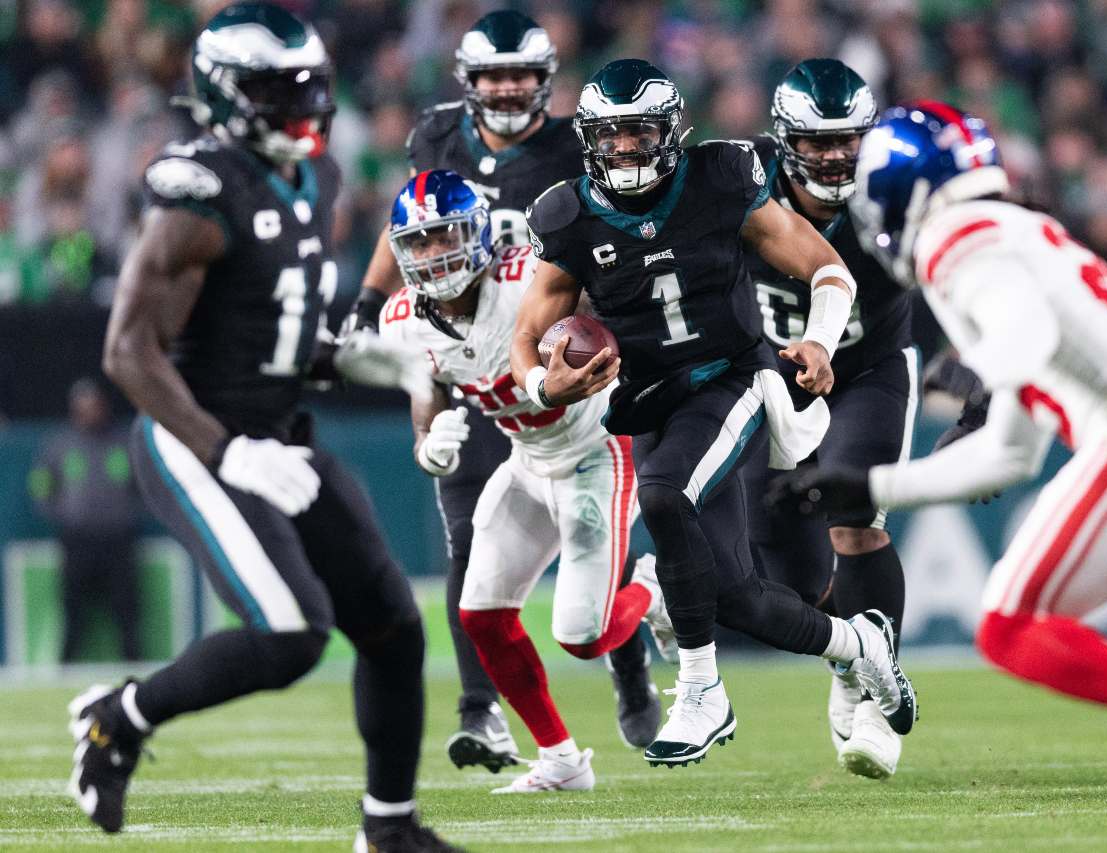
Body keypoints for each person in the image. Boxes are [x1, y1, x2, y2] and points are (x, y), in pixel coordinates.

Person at [769, 102, 1107, 841]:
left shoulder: (957, 239)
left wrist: (980, 366)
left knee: (1010, 626)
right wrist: (875, 488)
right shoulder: (1019, 233)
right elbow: (1010, 451)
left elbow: (1024, 339)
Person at [67, 6, 454, 851]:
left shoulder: (307, 178)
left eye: (310, 86)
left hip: (276, 431)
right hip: (194, 434)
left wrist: (367, 360)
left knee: (391, 623)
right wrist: (228, 449)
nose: (303, 105)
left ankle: (388, 832)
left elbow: (273, 335)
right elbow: (129, 351)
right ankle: (118, 717)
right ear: (225, 95)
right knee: (291, 631)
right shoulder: (198, 187)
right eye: (280, 91)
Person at [511, 59, 917, 768]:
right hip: (652, 395)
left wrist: (820, 340)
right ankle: (861, 645)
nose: (630, 149)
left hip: (734, 375)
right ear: (589, 139)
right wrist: (546, 389)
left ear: (672, 133)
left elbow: (827, 267)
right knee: (740, 596)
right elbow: (525, 337)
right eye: (615, 136)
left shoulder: (720, 179)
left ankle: (703, 690)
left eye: (642, 133)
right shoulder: (567, 215)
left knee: (665, 495)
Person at [345, 10, 657, 768]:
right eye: (493, 75)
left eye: (521, 73)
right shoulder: (436, 143)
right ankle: (493, 717)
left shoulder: (569, 152)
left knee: (587, 601)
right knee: (472, 565)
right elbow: (404, 227)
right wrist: (427, 433)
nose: (509, 87)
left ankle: (639, 630)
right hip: (493, 396)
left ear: (545, 79)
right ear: (468, 83)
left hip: (554, 345)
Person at [379, 168, 673, 790]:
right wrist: (429, 448)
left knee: (582, 636)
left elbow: (613, 311)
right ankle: (561, 760)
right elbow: (424, 404)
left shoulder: (526, 280)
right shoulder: (401, 319)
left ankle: (651, 586)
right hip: (527, 459)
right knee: (480, 614)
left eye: (445, 236)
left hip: (597, 450)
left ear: (479, 234)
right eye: (420, 243)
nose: (433, 255)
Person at [741, 58, 915, 779]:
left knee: (852, 512)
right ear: (785, 140)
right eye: (817, 142)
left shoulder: (893, 192)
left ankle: (880, 694)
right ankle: (850, 656)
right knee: (772, 544)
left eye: (847, 139)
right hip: (775, 380)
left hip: (867, 370)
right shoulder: (739, 180)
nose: (836, 155)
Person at [29, 377, 142, 662]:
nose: (91, 412)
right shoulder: (60, 445)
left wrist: (129, 513)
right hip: (77, 540)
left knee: (127, 611)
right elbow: (41, 486)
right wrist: (63, 516)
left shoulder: (124, 442)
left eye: (95, 405)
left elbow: (145, 486)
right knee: (73, 612)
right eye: (84, 406)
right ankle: (65, 669)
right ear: (74, 410)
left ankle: (134, 668)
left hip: (118, 540)